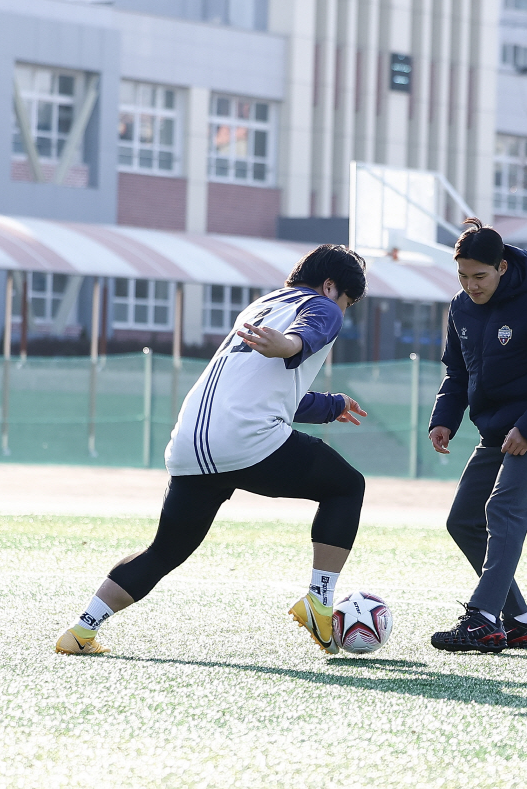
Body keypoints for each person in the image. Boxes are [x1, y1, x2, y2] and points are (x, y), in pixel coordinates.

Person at [55, 244, 370, 656]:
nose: (342, 311)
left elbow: (272, 391)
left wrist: (333, 404)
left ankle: (82, 630)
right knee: (346, 486)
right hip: (246, 440)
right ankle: (319, 600)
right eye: (346, 302)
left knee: (164, 550)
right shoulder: (322, 306)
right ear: (330, 286)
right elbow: (307, 333)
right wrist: (292, 346)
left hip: (190, 444)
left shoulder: (262, 305)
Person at [428, 219, 527, 653]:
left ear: (502, 267)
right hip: (497, 432)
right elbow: (458, 371)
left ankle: (482, 619)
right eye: (462, 276)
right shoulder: (461, 307)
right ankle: (518, 621)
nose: (471, 285)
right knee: (463, 520)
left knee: (503, 508)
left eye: (479, 276)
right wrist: (444, 417)